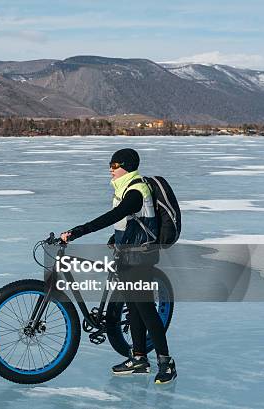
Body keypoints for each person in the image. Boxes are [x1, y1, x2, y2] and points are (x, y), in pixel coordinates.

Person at [60, 148, 177, 385]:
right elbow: (130, 222)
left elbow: (113, 216)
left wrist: (76, 232)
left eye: (114, 165)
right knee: (133, 308)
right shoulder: (125, 189)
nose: (110, 170)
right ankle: (139, 359)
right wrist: (117, 239)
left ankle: (166, 362)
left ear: (126, 166)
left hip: (141, 258)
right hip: (128, 255)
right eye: (110, 165)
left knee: (144, 310)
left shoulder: (136, 190)